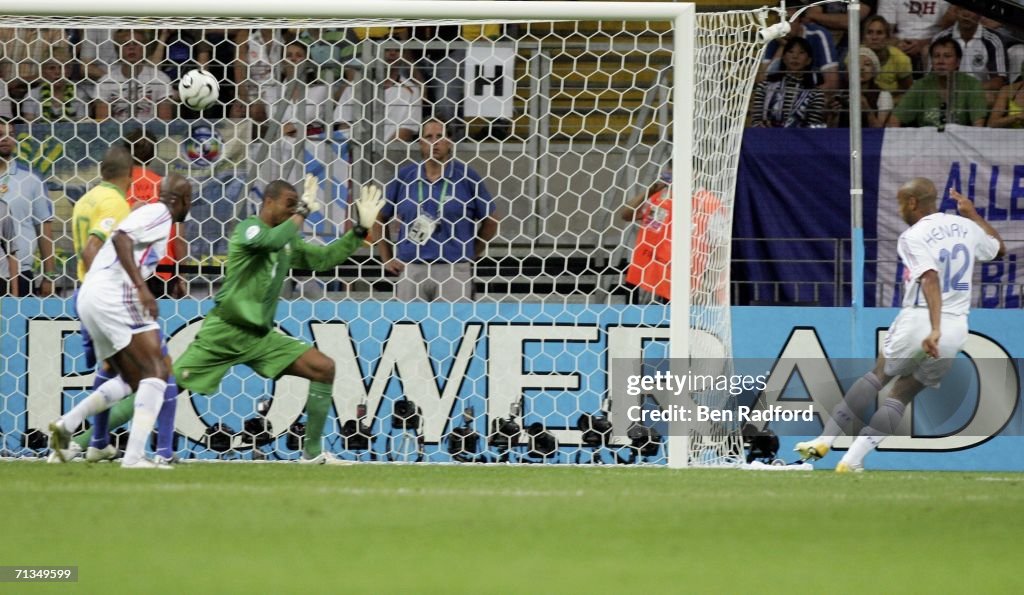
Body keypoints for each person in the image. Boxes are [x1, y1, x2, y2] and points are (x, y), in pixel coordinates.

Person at [172, 176, 385, 464]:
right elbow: (270, 241)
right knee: (165, 388)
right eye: (288, 205)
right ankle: (90, 441)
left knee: (323, 368)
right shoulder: (249, 229)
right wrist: (303, 213)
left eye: (296, 206)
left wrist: (359, 230)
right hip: (224, 332)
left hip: (260, 337)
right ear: (268, 201)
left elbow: (323, 259)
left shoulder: (288, 242)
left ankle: (311, 454)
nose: (292, 210)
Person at [795, 179, 1004, 471]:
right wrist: (972, 213)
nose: (899, 209)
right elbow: (998, 249)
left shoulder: (913, 235)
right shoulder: (967, 227)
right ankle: (851, 461)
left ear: (912, 203)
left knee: (878, 375)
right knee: (902, 395)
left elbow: (929, 277)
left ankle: (825, 440)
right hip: (956, 327)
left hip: (922, 317)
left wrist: (933, 328)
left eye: (900, 202)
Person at [49, 173, 193, 469]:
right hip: (116, 293)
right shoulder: (159, 213)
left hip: (91, 293)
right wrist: (141, 288)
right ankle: (135, 456)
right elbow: (121, 238)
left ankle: (67, 425)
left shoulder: (150, 214)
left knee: (131, 378)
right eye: (190, 198)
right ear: (179, 200)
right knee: (159, 370)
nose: (191, 204)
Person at [376, 118, 499, 301]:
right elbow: (379, 218)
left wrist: (470, 252)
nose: (434, 142)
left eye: (440, 136)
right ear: (420, 143)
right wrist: (387, 258)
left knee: (451, 327)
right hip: (411, 267)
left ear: (449, 141)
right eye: (428, 137)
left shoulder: (466, 177)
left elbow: (492, 220)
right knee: (410, 325)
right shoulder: (405, 176)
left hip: (453, 269)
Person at [619, 169, 725, 303]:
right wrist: (651, 190)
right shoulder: (659, 197)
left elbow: (719, 246)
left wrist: (710, 282)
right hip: (651, 272)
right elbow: (626, 214)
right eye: (672, 169)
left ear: (697, 172)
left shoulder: (710, 204)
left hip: (688, 279)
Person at [0, 118, 56, 296]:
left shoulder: (31, 180)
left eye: (11, 134)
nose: (6, 139)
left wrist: (49, 276)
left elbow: (44, 228)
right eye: (0, 135)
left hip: (20, 273)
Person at [889, 36, 988, 128]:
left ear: (958, 62)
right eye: (936, 56)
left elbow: (978, 126)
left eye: (947, 56)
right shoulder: (921, 85)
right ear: (931, 61)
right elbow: (895, 120)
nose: (941, 61)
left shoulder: (972, 85)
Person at [933, 6, 1007, 107]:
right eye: (962, 9)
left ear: (980, 13)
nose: (966, 14)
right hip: (948, 90)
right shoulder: (941, 39)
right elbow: (932, 77)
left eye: (971, 9)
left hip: (979, 91)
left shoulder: (993, 40)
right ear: (955, 11)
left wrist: (971, 90)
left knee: (989, 97)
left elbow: (998, 81)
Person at [750, 37, 827, 128]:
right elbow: (756, 121)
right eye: (790, 52)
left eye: (801, 53)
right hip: (766, 138)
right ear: (783, 58)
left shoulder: (816, 93)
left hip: (800, 140)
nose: (795, 56)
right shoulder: (764, 86)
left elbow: (813, 127)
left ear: (808, 61)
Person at [862, 15, 913, 103]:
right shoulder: (853, 57)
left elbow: (908, 92)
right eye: (870, 32)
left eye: (879, 33)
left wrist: (887, 104)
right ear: (863, 37)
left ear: (888, 38)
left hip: (891, 105)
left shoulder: (901, 59)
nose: (874, 37)